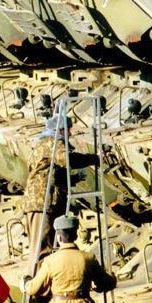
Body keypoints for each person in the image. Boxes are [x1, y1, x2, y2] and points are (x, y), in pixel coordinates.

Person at [21, 116, 97, 272]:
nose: (69, 134)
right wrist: (94, 158)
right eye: (68, 129)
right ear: (60, 129)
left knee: (47, 247)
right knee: (43, 250)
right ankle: (39, 290)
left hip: (41, 202)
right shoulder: (53, 142)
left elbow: (54, 175)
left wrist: (75, 178)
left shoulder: (44, 145)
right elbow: (67, 159)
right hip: (43, 203)